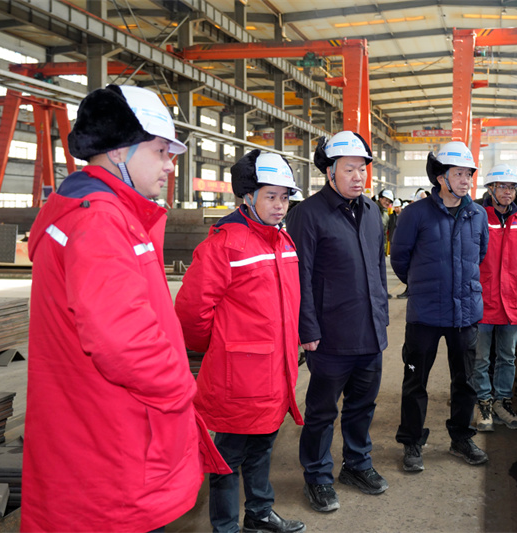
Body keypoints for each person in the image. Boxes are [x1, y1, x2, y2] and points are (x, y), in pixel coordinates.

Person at [22, 84, 229, 532]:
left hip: (96, 421)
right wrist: (180, 388)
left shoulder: (96, 210)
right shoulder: (100, 219)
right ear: (119, 150)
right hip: (116, 431)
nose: (170, 165)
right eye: (161, 151)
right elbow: (122, 341)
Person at [174, 149, 306, 533]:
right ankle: (225, 526)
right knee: (227, 458)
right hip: (240, 378)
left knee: (263, 446)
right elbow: (191, 312)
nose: (280, 205)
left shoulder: (283, 241)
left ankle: (259, 514)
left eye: (285, 197)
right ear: (247, 196)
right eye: (271, 196)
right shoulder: (224, 245)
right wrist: (219, 346)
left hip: (276, 371)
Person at [285, 131, 389, 513]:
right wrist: (307, 329)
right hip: (330, 335)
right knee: (322, 411)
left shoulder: (373, 212)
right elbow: (300, 277)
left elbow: (379, 268)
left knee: (363, 406)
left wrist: (381, 314)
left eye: (362, 169)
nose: (358, 177)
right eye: (349, 169)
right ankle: (317, 476)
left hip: (370, 332)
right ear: (330, 172)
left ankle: (357, 465)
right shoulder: (308, 214)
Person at [390, 141, 489, 472]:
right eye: (459, 174)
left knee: (466, 381)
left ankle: (461, 438)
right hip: (426, 315)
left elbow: (480, 255)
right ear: (441, 177)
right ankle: (412, 442)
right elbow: (400, 259)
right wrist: (424, 286)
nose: (466, 181)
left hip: (465, 314)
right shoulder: (415, 214)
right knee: (415, 380)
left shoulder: (477, 215)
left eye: (468, 174)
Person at [470, 164, 517, 432]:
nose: (507, 192)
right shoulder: (477, 217)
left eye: (512, 187)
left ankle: (502, 401)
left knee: (507, 357)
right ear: (490, 188)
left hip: (512, 299)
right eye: (502, 186)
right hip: (483, 299)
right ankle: (483, 403)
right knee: (480, 358)